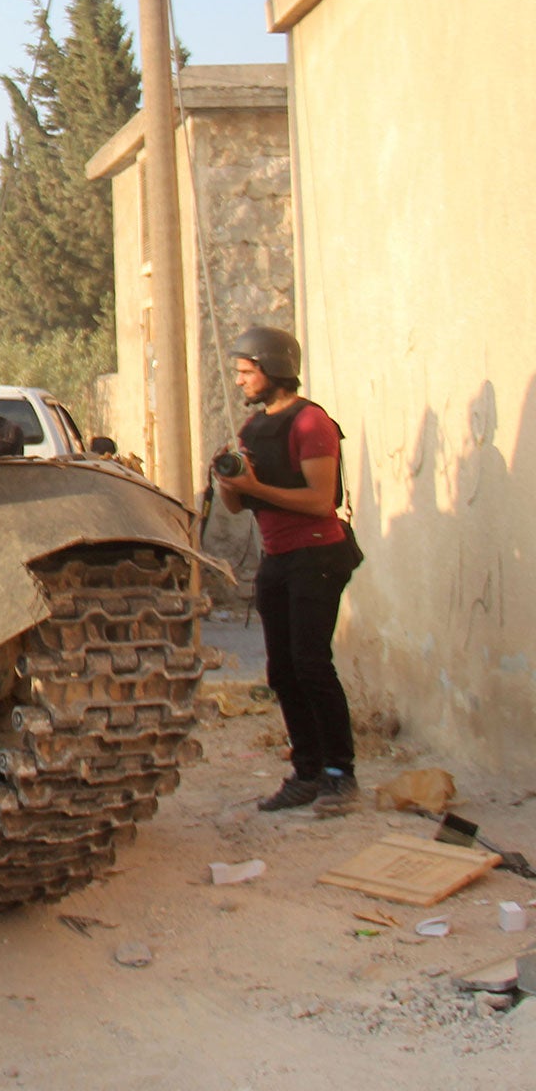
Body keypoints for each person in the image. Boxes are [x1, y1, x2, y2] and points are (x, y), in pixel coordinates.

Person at [215, 325, 359, 815]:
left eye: (246, 372)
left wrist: (257, 486)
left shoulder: (309, 423)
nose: (240, 382)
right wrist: (229, 482)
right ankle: (307, 772)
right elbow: (236, 508)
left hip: (317, 555)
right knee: (282, 671)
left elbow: (321, 501)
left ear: (272, 369)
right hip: (277, 561)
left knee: (312, 664)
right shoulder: (254, 429)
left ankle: (341, 774)